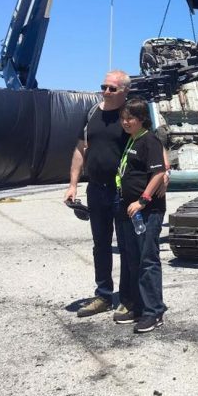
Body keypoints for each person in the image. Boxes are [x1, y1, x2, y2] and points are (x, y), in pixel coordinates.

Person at [65, 70, 133, 320]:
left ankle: (128, 298)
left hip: (123, 191)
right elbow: (81, 149)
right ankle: (103, 295)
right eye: (103, 86)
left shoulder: (131, 115)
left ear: (125, 90)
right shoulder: (92, 112)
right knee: (100, 245)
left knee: (127, 246)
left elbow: (150, 144)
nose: (106, 91)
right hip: (96, 189)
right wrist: (73, 184)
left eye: (112, 88)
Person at [116, 97, 167, 334]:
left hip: (147, 211)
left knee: (148, 261)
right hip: (130, 210)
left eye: (130, 118)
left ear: (142, 119)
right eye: (123, 118)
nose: (125, 122)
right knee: (134, 260)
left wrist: (143, 200)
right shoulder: (131, 140)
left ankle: (154, 312)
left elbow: (158, 174)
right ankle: (139, 306)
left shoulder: (149, 141)